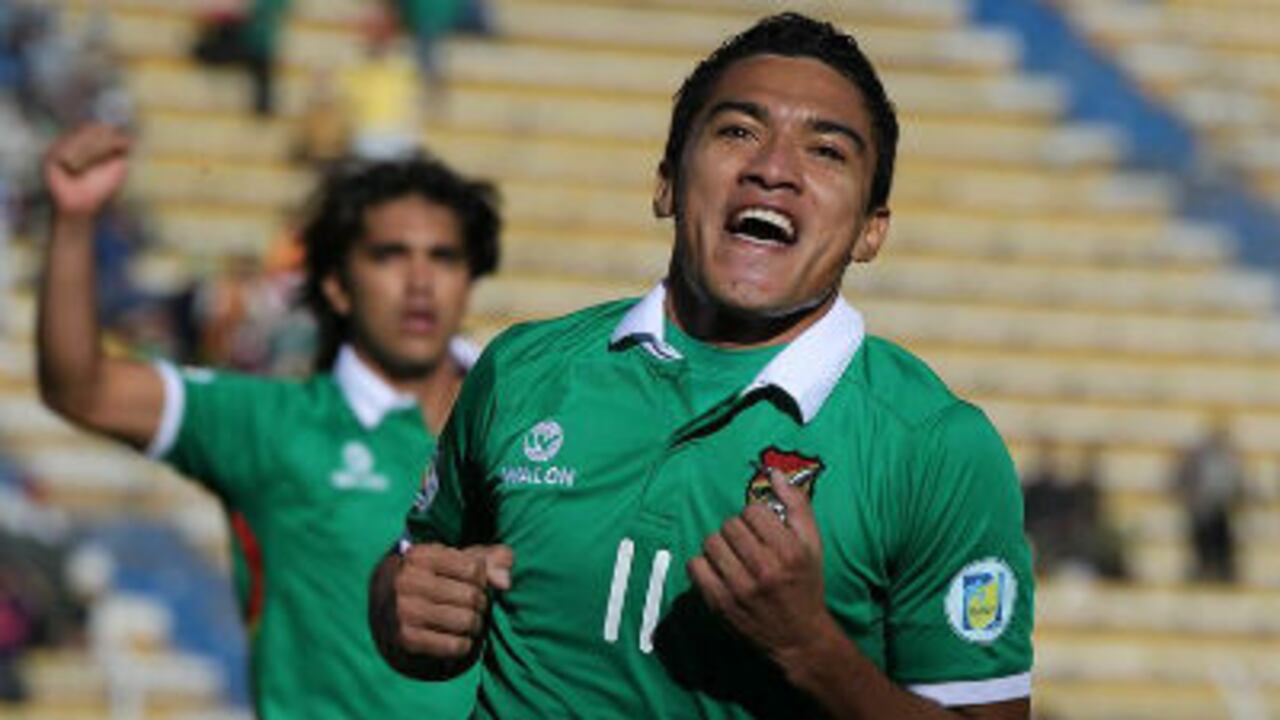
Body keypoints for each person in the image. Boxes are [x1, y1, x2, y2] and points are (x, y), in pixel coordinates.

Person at [371, 13, 1033, 719]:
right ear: (665, 182)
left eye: (827, 151)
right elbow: (420, 567)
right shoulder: (522, 370)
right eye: (738, 131)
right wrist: (400, 606)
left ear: (872, 231)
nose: (774, 168)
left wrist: (813, 650)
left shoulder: (936, 447)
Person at [38, 124, 500, 718]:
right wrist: (74, 222)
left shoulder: (525, 423)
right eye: (389, 255)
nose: (419, 282)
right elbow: (83, 387)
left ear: (469, 279)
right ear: (336, 285)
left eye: (443, 256)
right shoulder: (269, 423)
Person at [1175, 421, 1245, 582]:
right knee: (1205, 533)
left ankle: (1222, 569)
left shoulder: (1230, 459)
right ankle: (1205, 568)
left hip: (1220, 510)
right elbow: (1184, 479)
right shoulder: (1198, 457)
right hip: (1202, 510)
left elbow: (1237, 485)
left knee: (1221, 534)